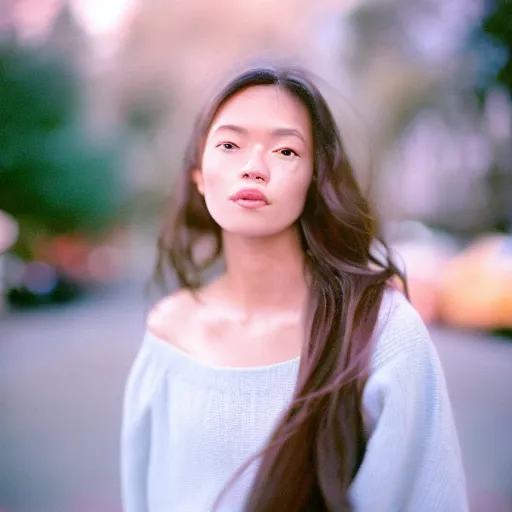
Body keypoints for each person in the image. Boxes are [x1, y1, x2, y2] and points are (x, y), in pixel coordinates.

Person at [121, 64, 469, 512]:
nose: (254, 168)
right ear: (199, 175)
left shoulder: (381, 332)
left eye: (286, 152)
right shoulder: (169, 333)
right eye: (229, 145)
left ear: (315, 180)